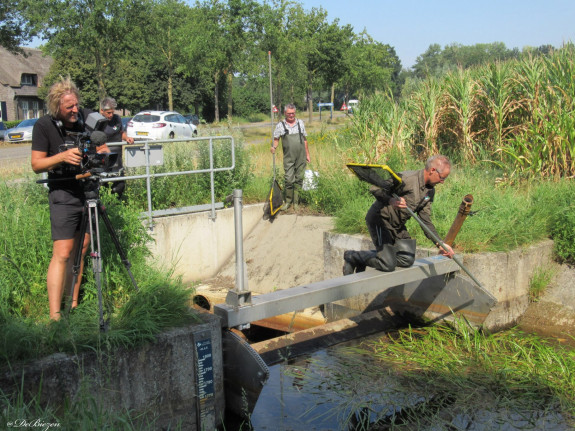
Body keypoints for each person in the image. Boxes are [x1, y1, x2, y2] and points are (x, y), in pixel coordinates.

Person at [31, 77, 110, 320]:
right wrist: (63, 157)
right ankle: (55, 317)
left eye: (76, 105)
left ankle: (73, 306)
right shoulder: (44, 126)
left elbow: (103, 148)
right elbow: (36, 164)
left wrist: (103, 156)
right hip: (63, 193)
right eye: (69, 107)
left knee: (82, 248)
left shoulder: (87, 118)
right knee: (63, 252)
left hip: (87, 191)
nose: (75, 110)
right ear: (57, 108)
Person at [343, 155, 455, 275]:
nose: (442, 182)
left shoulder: (429, 191)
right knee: (388, 264)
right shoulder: (407, 179)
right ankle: (353, 256)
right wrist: (390, 200)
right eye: (442, 178)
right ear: (433, 170)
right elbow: (375, 187)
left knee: (407, 259)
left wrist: (440, 244)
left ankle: (374, 257)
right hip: (380, 220)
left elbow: (425, 220)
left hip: (397, 225)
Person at [270, 104, 310, 210]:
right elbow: (276, 139)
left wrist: (307, 154)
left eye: (293, 113)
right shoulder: (280, 125)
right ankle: (288, 201)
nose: (291, 115)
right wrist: (273, 147)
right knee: (289, 179)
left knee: (299, 178)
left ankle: (296, 202)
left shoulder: (300, 123)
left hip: (301, 156)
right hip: (288, 157)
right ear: (285, 113)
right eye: (289, 113)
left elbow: (304, 139)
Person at [99, 97, 134, 197]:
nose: (111, 115)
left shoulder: (117, 119)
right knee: (103, 185)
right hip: (104, 158)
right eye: (108, 113)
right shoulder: (98, 121)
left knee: (119, 185)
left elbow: (120, 133)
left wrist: (127, 138)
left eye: (112, 112)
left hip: (117, 157)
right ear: (102, 111)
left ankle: (118, 205)